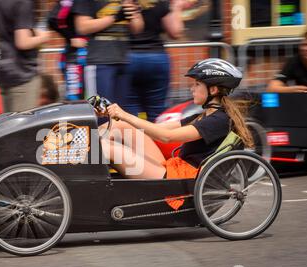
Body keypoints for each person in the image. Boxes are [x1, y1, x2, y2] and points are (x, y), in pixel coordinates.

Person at [100, 58, 253, 183]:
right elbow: (159, 128)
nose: (192, 88)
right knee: (120, 126)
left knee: (108, 148)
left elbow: (167, 137)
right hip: (173, 169)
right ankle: (79, 154)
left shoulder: (218, 120)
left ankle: (85, 182)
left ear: (213, 90)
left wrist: (125, 114)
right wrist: (114, 115)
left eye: (197, 84)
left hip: (179, 179)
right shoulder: (204, 115)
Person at [73, 0, 144, 107]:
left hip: (123, 61)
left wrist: (131, 14)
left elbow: (138, 28)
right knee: (100, 112)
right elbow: (82, 27)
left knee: (119, 115)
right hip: (99, 62)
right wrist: (114, 17)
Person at [125, 0, 186, 122]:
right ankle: (157, 140)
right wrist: (177, 7)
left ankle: (136, 140)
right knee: (157, 113)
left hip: (127, 58)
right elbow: (175, 31)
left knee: (130, 113)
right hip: (156, 58)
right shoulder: (160, 1)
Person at [0, 0, 51, 113]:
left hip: (5, 73)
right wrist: (44, 37)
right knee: (23, 126)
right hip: (23, 73)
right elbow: (22, 42)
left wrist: (9, 41)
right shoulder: (24, 2)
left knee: (10, 127)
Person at [48, 0, 88, 101]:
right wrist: (71, 38)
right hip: (74, 57)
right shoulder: (70, 3)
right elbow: (52, 19)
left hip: (92, 55)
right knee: (74, 99)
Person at [267, 25, 307, 93]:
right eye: (304, 45)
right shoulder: (294, 62)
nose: (306, 49)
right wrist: (292, 90)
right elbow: (271, 88)